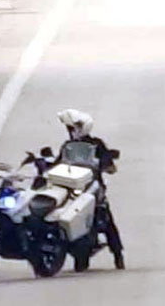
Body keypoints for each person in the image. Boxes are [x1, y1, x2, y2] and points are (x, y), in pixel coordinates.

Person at [56, 109, 125, 270]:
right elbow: (59, 163)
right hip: (73, 187)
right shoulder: (68, 146)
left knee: (106, 219)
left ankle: (117, 253)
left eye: (73, 128)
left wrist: (103, 163)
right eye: (70, 128)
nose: (71, 131)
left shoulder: (96, 144)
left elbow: (111, 167)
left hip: (93, 186)